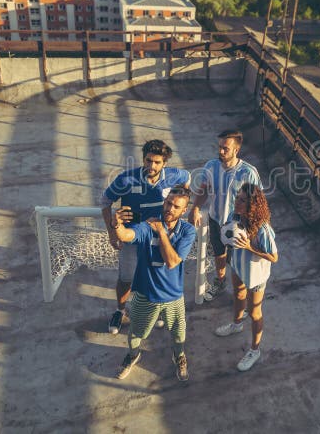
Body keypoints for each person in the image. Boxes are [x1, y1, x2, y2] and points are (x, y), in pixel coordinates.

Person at [102, 140, 190, 334]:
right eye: (148, 160)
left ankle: (152, 310)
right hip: (133, 236)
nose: (151, 166)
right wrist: (111, 232)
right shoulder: (126, 179)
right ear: (143, 159)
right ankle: (120, 310)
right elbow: (105, 201)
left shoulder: (175, 175)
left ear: (164, 163)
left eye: (157, 162)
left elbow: (187, 179)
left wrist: (184, 203)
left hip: (158, 237)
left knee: (153, 275)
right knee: (126, 277)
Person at [111, 186, 197, 381]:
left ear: (184, 211)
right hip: (145, 294)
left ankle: (179, 356)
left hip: (173, 295)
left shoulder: (188, 231)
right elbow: (126, 236)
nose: (170, 209)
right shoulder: (147, 225)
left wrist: (161, 232)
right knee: (135, 334)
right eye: (168, 203)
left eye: (176, 207)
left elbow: (173, 261)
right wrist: (116, 225)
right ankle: (133, 355)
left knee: (178, 334)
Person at [190, 130, 261, 301]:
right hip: (216, 220)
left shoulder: (248, 173)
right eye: (219, 147)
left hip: (239, 225)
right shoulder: (210, 166)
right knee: (219, 255)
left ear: (236, 150)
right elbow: (204, 190)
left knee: (239, 262)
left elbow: (258, 202)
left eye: (225, 148)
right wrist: (195, 208)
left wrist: (254, 228)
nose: (221, 151)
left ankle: (241, 298)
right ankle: (220, 282)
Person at [214, 183, 278, 371]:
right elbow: (228, 232)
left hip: (256, 276)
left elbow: (274, 257)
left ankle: (254, 350)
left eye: (242, 200)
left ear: (253, 204)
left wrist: (250, 247)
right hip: (238, 266)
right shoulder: (234, 216)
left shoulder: (262, 228)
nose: (237, 202)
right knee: (238, 296)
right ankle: (236, 324)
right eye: (237, 198)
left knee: (255, 312)